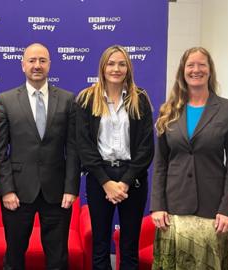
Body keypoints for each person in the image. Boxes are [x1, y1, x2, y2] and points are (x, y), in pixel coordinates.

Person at [150, 47, 228, 270]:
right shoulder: (168, 111)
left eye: (202, 64)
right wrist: (157, 206)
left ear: (210, 70)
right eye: (190, 65)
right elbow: (161, 163)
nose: (196, 70)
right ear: (183, 71)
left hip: (213, 209)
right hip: (173, 208)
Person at [0, 43, 80, 270]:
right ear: (23, 65)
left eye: (42, 60)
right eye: (32, 60)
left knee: (58, 258)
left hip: (57, 192)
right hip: (18, 193)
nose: (37, 65)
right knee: (14, 257)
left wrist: (71, 188)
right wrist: (7, 190)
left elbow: (73, 148)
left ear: (50, 65)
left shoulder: (68, 100)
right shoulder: (6, 100)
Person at [76, 45, 154, 270]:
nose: (116, 69)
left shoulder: (139, 99)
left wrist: (125, 182)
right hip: (100, 178)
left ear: (128, 68)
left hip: (133, 178)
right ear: (102, 67)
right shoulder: (87, 99)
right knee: (100, 244)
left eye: (121, 64)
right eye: (111, 63)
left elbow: (146, 147)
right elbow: (85, 146)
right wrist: (106, 183)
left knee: (130, 245)